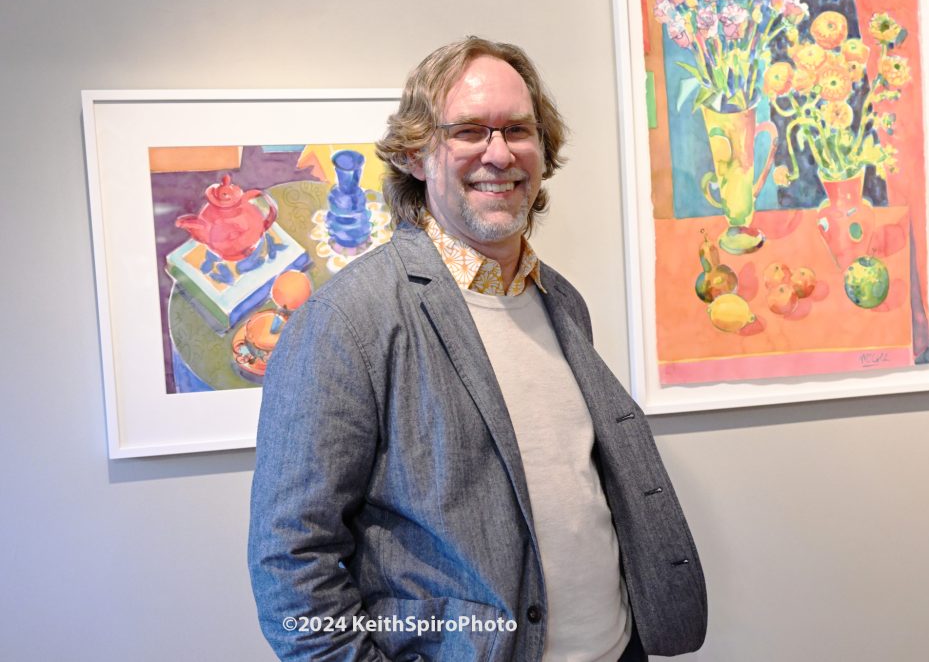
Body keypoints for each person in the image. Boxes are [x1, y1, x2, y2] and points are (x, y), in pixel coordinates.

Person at [248, 37, 707, 661]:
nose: (499, 153)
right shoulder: (346, 320)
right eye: (468, 131)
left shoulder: (560, 301)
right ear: (415, 153)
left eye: (518, 129)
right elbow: (290, 562)